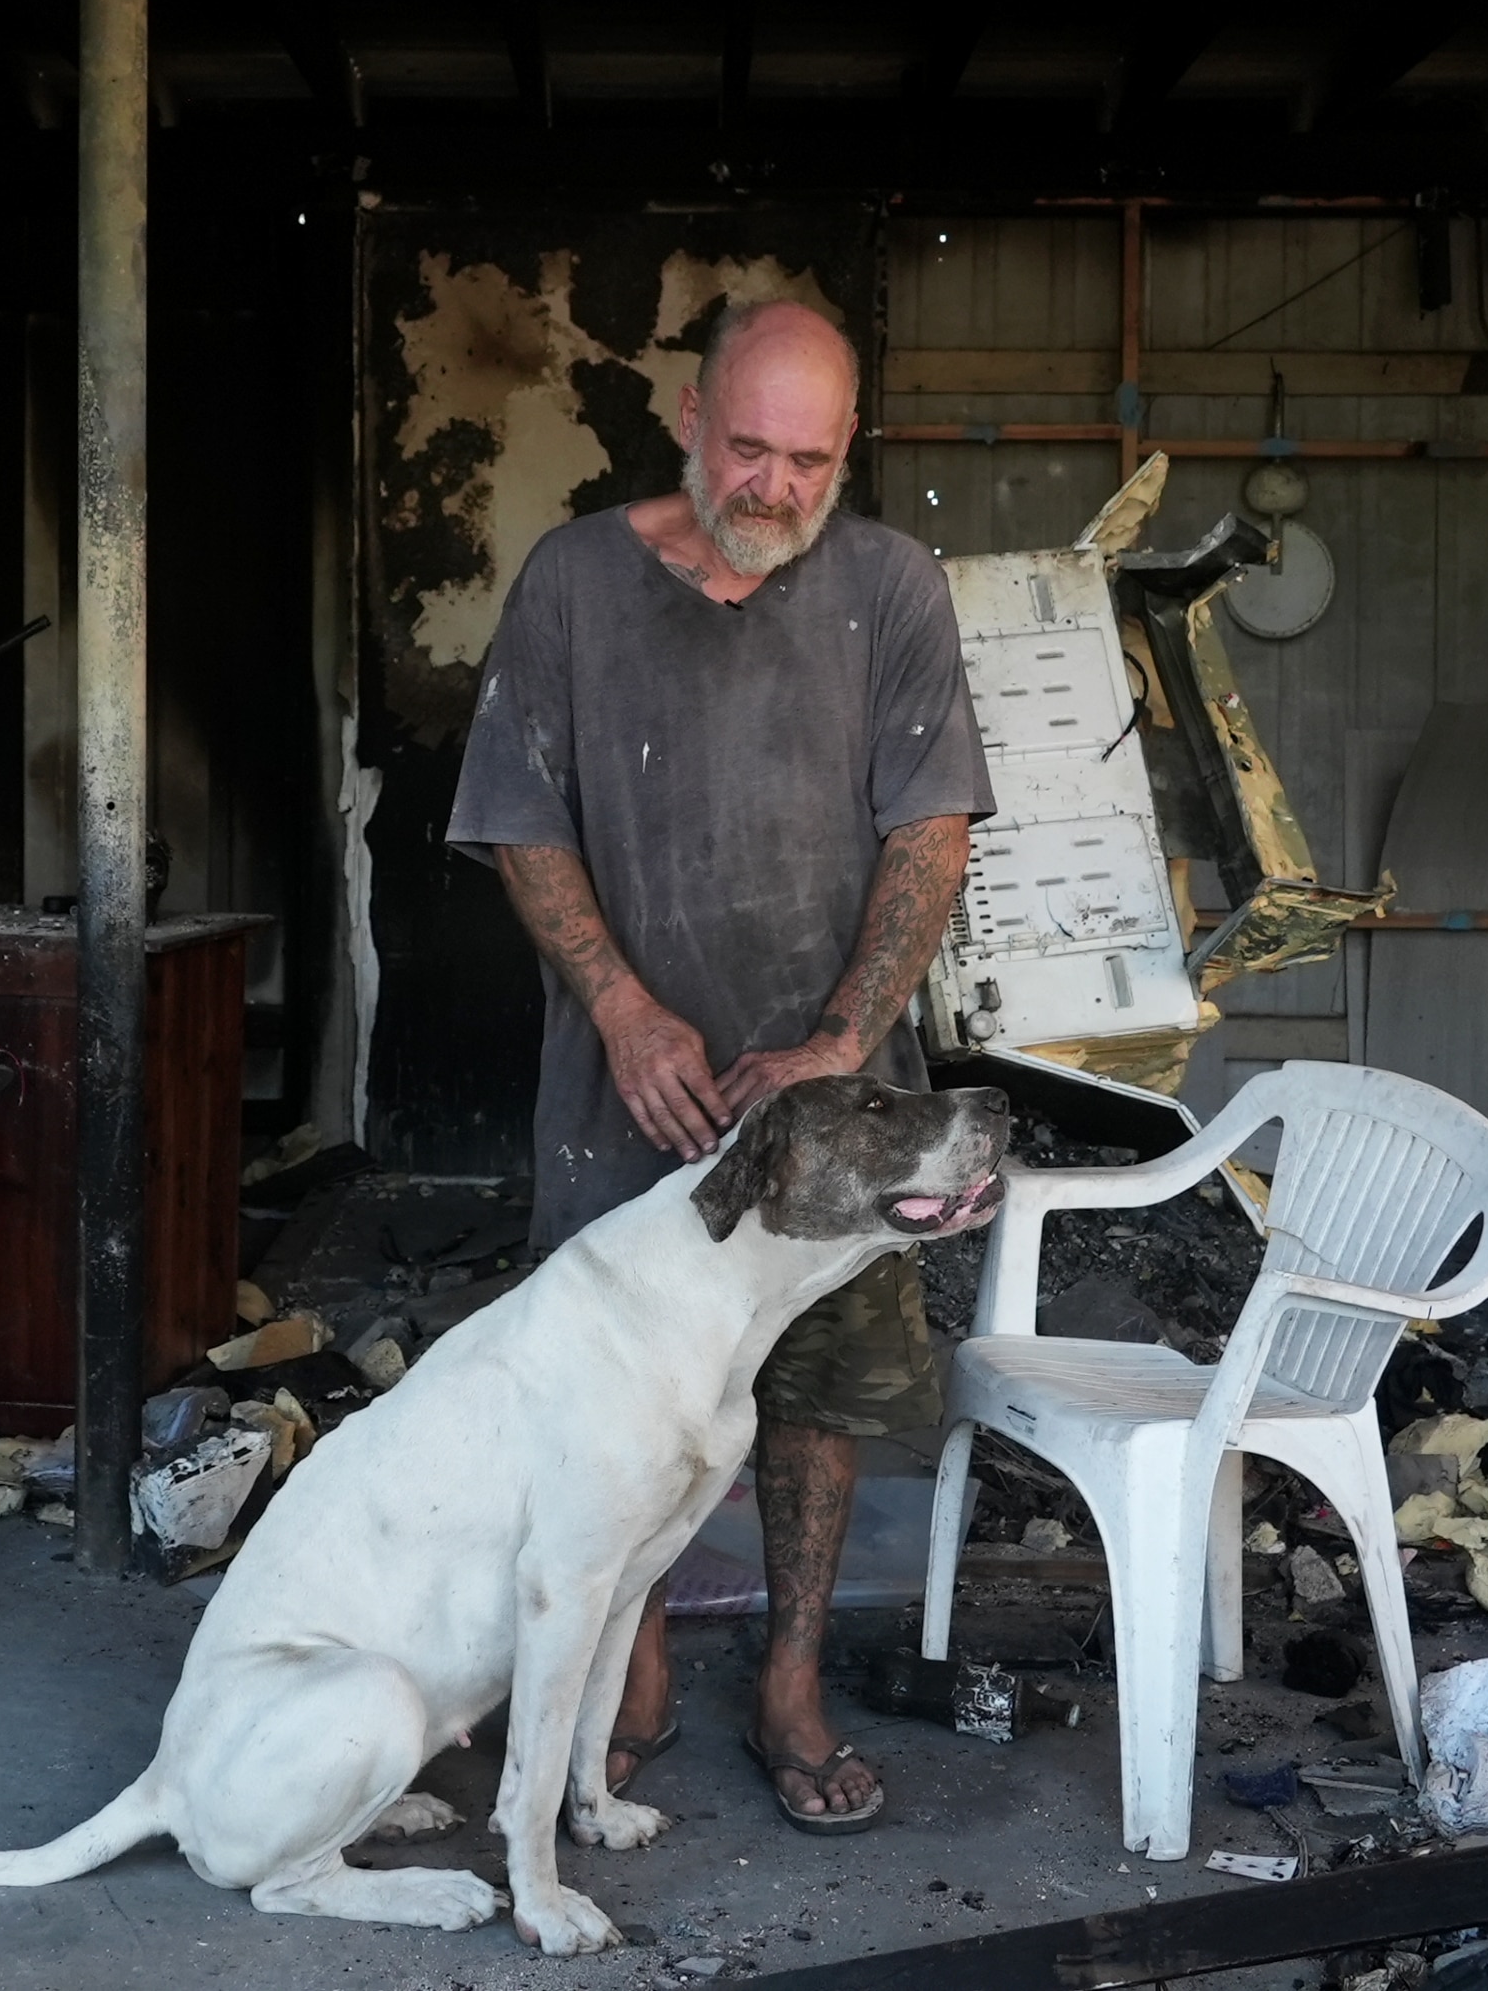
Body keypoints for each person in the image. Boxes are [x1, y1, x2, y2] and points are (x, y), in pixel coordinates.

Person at [445, 295, 992, 1837]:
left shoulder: (891, 589)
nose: (774, 488)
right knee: (615, 1406)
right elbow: (520, 816)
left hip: (837, 1115)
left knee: (813, 1392)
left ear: (848, 449)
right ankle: (633, 1677)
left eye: (809, 460)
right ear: (689, 416)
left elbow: (929, 832)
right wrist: (621, 1003)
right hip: (635, 1091)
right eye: (748, 448)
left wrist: (839, 1043)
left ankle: (791, 1685)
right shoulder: (573, 583)